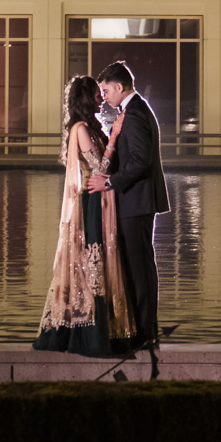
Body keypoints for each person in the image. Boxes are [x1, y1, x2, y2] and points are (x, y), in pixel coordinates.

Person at [34, 75, 134, 356]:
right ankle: (86, 334)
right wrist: (113, 138)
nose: (101, 98)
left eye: (102, 94)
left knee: (98, 262)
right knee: (91, 263)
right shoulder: (80, 128)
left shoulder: (90, 126)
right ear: (85, 99)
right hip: (92, 200)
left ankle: (110, 329)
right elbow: (100, 167)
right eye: (96, 94)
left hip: (101, 198)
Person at [86, 60, 168, 353]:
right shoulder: (134, 111)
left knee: (140, 268)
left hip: (136, 201)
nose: (104, 97)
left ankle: (145, 333)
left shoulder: (133, 114)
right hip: (137, 200)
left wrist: (107, 183)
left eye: (106, 90)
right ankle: (144, 330)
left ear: (119, 87)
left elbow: (139, 163)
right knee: (139, 266)